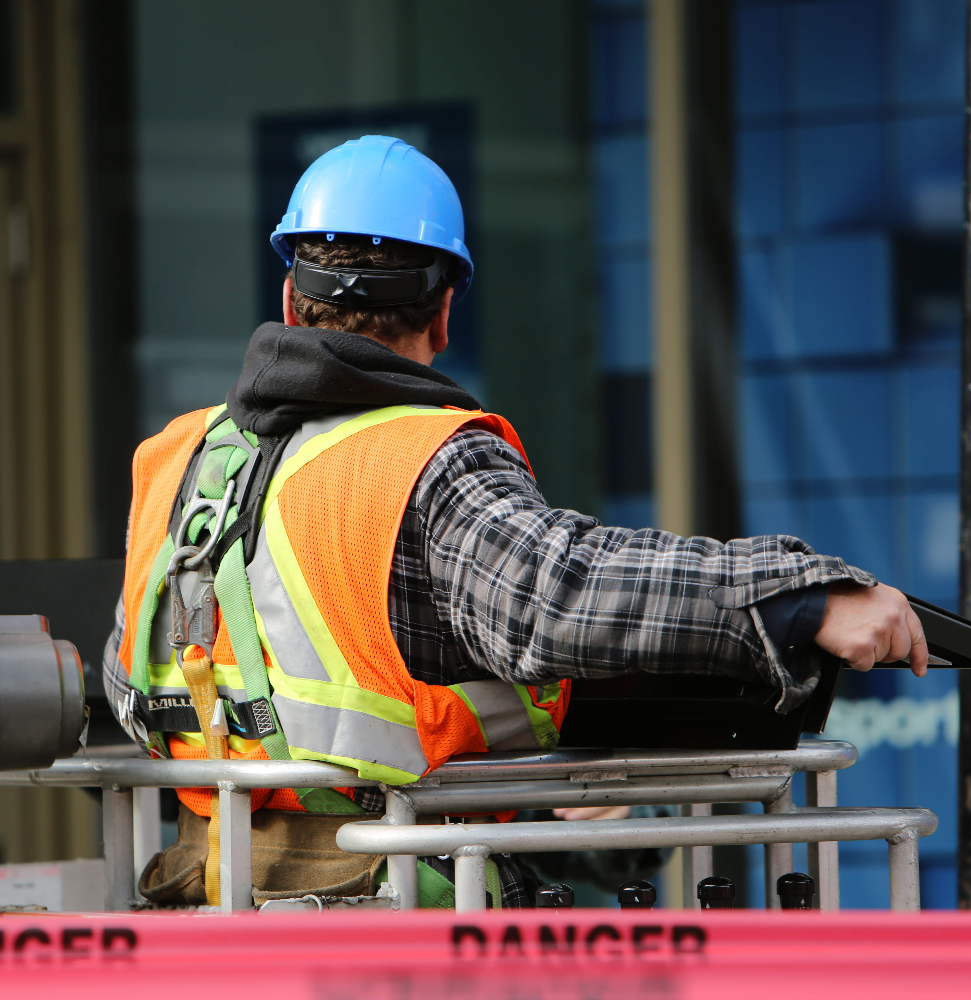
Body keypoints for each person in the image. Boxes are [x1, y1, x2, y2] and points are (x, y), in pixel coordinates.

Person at [104, 135, 927, 910]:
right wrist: (802, 598)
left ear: (289, 296)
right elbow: (556, 594)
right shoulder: (421, 459)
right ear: (444, 312)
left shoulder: (176, 460)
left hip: (205, 907)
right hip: (392, 920)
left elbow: (128, 674)